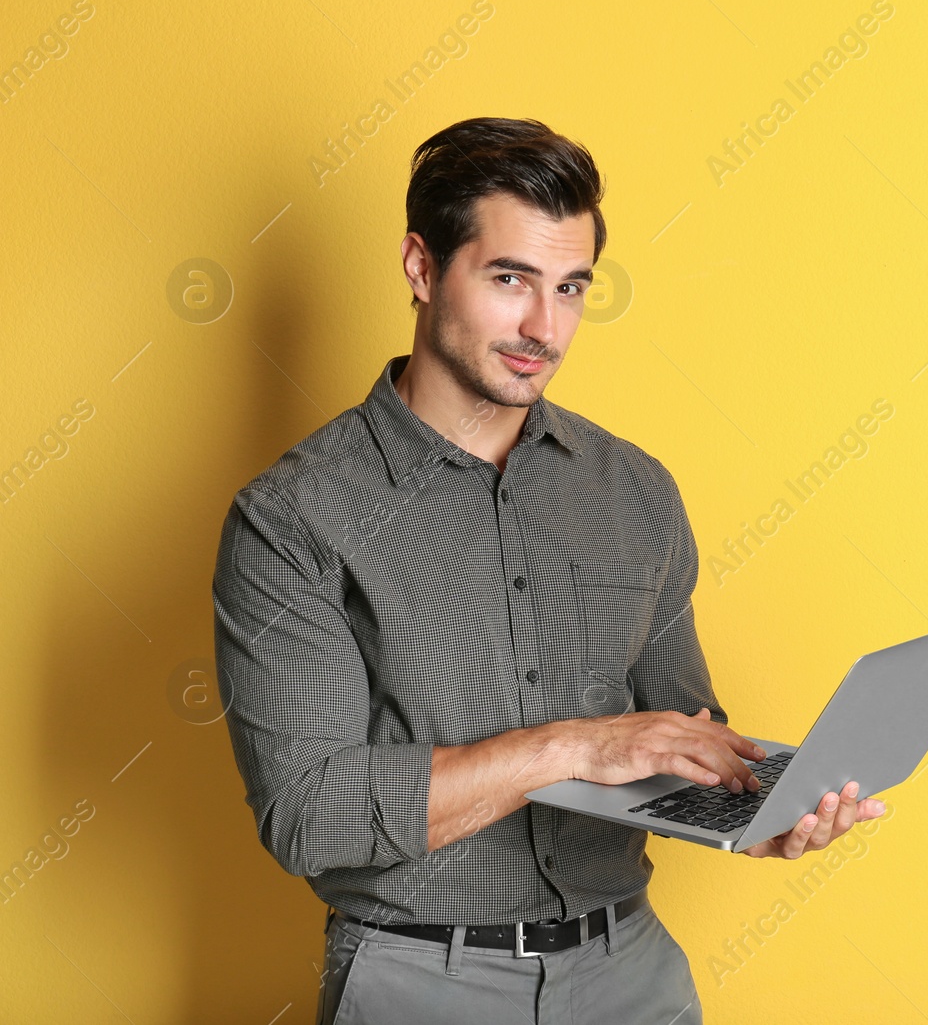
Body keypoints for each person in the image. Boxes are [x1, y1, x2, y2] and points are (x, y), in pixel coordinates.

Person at [211, 117, 885, 1024]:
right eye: (509, 279)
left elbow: (676, 722)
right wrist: (574, 745)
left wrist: (756, 810)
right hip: (419, 982)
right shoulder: (294, 516)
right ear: (421, 268)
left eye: (571, 288)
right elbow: (309, 814)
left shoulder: (636, 488)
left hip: (633, 972)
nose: (545, 326)